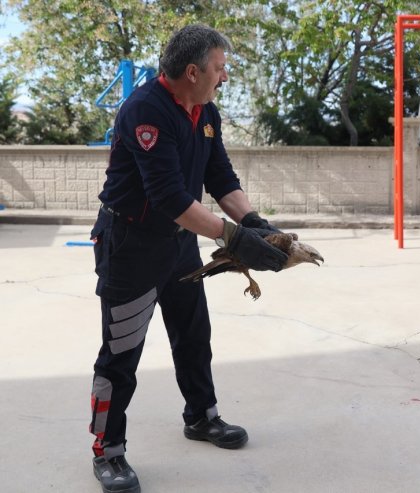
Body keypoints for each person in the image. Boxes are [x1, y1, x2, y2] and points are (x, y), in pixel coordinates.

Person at [88, 24, 287, 493]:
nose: (224, 77)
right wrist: (235, 239)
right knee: (120, 356)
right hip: (131, 247)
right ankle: (107, 450)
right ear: (193, 70)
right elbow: (170, 198)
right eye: (219, 68)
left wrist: (258, 224)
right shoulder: (145, 111)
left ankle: (201, 417)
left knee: (194, 334)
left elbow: (220, 177)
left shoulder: (205, 111)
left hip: (179, 243)